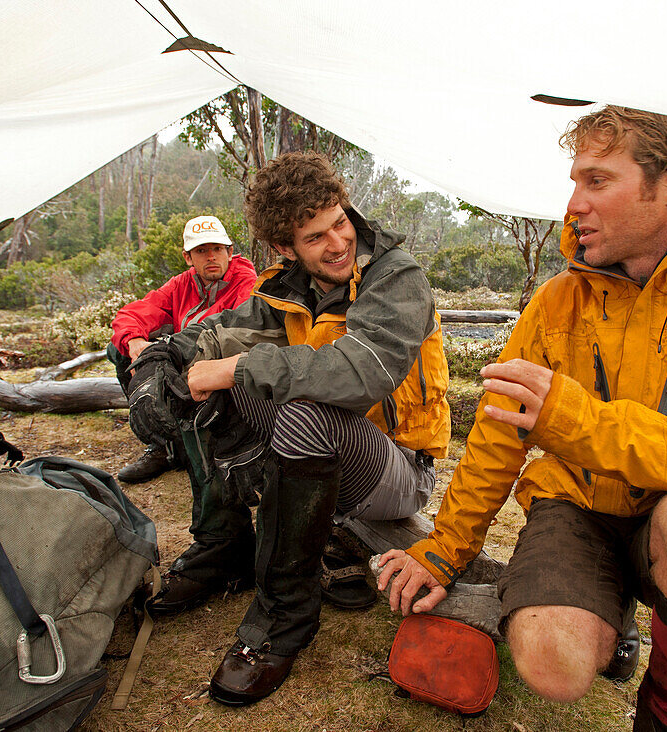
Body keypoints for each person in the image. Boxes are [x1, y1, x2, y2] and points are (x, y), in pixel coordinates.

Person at [378, 106, 667, 730]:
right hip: (579, 508)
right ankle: (611, 622)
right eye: (574, 182)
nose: (573, 205)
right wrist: (444, 551)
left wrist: (578, 423)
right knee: (552, 664)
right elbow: (494, 437)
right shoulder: (558, 300)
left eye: (596, 181)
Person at [126, 151, 451, 706]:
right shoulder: (286, 286)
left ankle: (284, 616)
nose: (338, 242)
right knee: (207, 385)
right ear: (284, 247)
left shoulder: (398, 277)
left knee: (290, 399)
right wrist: (159, 364)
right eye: (316, 236)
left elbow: (357, 373)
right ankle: (224, 544)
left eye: (340, 222)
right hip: (326, 452)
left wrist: (235, 368)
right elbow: (222, 330)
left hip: (396, 469)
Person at [109, 215, 256, 484]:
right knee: (119, 349)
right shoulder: (182, 284)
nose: (211, 257)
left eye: (217, 249)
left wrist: (170, 350)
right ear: (188, 257)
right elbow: (133, 313)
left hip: (221, 372)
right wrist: (135, 343)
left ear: (230, 252)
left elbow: (231, 331)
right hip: (183, 359)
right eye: (202, 251)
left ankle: (211, 448)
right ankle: (164, 445)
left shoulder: (246, 283)